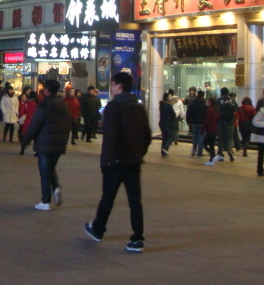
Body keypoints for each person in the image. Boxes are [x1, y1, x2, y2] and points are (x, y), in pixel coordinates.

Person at [85, 71, 152, 252]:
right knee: (135, 201)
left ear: (119, 86)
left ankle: (98, 229)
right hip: (133, 161)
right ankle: (137, 238)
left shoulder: (113, 107)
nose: (111, 88)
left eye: (113, 84)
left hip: (116, 161)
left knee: (108, 197)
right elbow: (147, 135)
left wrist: (105, 161)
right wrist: (139, 153)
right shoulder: (138, 107)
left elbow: (109, 137)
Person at [22, 79, 71, 211]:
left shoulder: (44, 105)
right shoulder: (64, 105)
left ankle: (45, 201)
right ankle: (56, 187)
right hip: (59, 144)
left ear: (47, 90)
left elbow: (35, 125)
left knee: (44, 172)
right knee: (50, 168)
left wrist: (26, 140)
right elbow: (68, 124)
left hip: (45, 143)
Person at [215, 87, 237, 162]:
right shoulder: (232, 100)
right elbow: (236, 110)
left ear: (221, 92)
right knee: (230, 137)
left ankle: (220, 153)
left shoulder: (218, 100)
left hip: (220, 122)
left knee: (220, 138)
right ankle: (230, 151)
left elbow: (215, 111)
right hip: (230, 121)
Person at [187, 89, 206, 157]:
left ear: (197, 94)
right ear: (203, 95)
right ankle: (199, 152)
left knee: (195, 136)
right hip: (202, 123)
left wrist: (188, 121)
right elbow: (206, 114)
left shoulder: (193, 103)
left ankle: (194, 150)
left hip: (194, 122)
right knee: (201, 137)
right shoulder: (204, 103)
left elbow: (189, 112)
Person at [18, 89, 38, 155]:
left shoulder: (26, 104)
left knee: (24, 137)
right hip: (36, 122)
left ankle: (22, 150)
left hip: (27, 122)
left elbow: (21, 112)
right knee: (36, 138)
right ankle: (36, 152)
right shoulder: (38, 105)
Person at [202, 95, 219, 163]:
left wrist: (203, 128)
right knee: (212, 144)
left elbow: (206, 120)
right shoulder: (216, 109)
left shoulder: (210, 110)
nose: (206, 102)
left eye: (208, 101)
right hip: (214, 129)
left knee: (205, 144)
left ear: (210, 102)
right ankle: (212, 158)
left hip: (210, 130)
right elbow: (218, 119)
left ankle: (213, 155)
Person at [158, 92, 176, 157]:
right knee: (170, 137)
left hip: (162, 122)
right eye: (170, 96)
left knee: (164, 137)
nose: (171, 98)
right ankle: (165, 149)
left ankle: (163, 151)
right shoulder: (168, 105)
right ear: (167, 98)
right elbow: (173, 114)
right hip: (168, 123)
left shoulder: (162, 105)